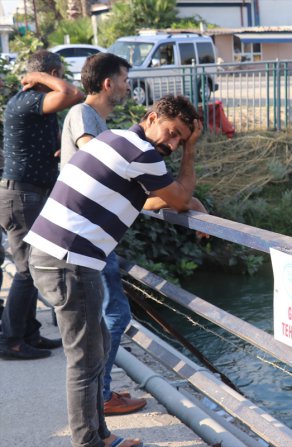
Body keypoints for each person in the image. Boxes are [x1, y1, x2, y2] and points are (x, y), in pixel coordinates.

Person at [25, 94, 205, 447]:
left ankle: (99, 435)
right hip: (70, 260)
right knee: (85, 361)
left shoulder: (114, 139)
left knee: (99, 345)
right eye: (172, 133)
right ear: (152, 118)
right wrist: (191, 152)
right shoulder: (141, 152)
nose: (172, 143)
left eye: (180, 140)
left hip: (56, 256)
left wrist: (183, 197)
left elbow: (148, 200)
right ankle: (88, 441)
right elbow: (180, 198)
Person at [61, 51, 148, 417]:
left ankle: (103, 391)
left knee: (109, 313)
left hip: (93, 231)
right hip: (86, 230)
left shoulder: (98, 122)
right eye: (125, 80)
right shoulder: (83, 113)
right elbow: (95, 158)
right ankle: (103, 395)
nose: (128, 86)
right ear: (108, 83)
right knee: (114, 313)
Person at [0, 50, 84, 359]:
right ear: (49, 74)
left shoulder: (33, 105)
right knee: (26, 271)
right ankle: (10, 341)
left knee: (32, 267)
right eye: (58, 74)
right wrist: (38, 77)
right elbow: (72, 94)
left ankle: (29, 333)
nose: (61, 80)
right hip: (21, 196)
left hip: (27, 194)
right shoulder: (29, 100)